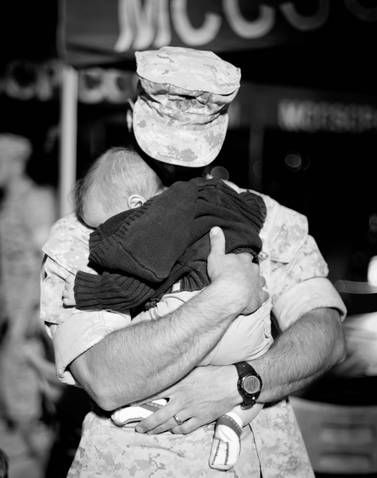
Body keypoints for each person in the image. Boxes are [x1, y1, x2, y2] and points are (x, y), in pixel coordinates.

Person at [41, 47, 347, 477]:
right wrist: (227, 295)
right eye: (164, 141)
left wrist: (243, 381)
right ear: (132, 117)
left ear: (220, 128)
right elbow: (107, 379)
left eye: (190, 147)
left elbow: (327, 334)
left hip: (263, 462)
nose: (172, 164)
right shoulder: (89, 230)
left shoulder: (256, 215)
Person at [62, 146, 270, 471]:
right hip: (254, 322)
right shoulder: (213, 197)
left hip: (201, 305)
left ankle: (150, 401)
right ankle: (235, 418)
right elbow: (256, 209)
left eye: (105, 224)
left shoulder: (157, 222)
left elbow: (140, 282)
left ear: (135, 205)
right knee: (256, 355)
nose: (104, 233)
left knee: (151, 327)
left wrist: (88, 291)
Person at [0, 134, 59, 473]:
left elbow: (45, 262)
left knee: (24, 405)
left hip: (26, 322)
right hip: (12, 316)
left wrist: (24, 321)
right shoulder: (10, 202)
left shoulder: (33, 200)